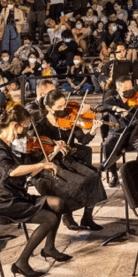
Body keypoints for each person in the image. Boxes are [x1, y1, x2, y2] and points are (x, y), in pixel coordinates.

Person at [0, 104, 70, 277]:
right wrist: (41, 164)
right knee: (50, 218)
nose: (27, 130)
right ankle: (21, 263)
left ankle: (49, 248)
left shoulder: (16, 145)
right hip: (4, 200)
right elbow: (13, 171)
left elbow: (30, 170)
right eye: (24, 126)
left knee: (59, 203)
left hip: (18, 195)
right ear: (13, 125)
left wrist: (52, 154)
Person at [33, 89, 107, 231]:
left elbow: (83, 140)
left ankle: (87, 217)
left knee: (94, 176)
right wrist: (54, 148)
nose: (64, 109)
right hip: (53, 163)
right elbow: (39, 155)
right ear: (48, 108)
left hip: (69, 159)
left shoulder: (69, 118)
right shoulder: (40, 126)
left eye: (64, 105)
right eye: (59, 107)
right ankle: (67, 215)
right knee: (76, 183)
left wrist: (93, 130)